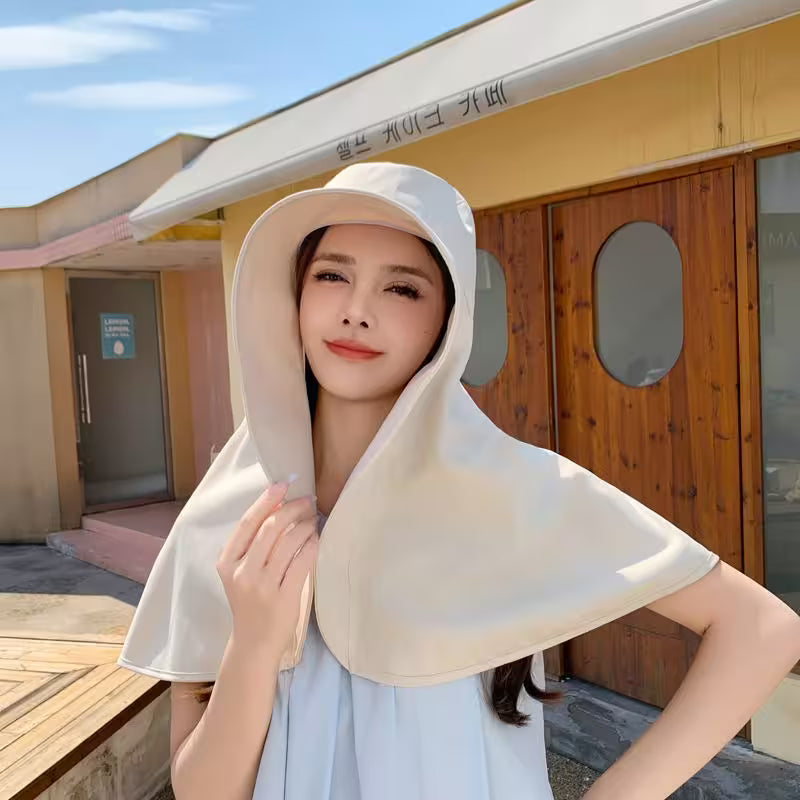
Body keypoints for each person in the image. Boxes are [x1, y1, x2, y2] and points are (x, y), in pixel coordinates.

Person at [118, 162, 800, 800]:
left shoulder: (507, 488)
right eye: (331, 275)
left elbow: (761, 629)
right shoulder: (232, 512)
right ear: (292, 295)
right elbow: (202, 790)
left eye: (401, 287)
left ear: (448, 319)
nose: (356, 310)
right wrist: (254, 645)